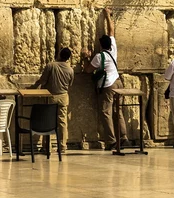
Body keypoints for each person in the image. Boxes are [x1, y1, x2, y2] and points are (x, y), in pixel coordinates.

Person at [83, 8, 129, 151]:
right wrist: (107, 16)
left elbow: (88, 70)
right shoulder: (113, 48)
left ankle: (111, 141)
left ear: (101, 45)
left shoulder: (99, 57)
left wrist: (85, 57)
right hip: (118, 82)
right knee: (118, 111)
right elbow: (111, 30)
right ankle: (124, 137)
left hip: (108, 85)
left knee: (105, 112)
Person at [32, 47, 74, 153]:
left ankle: (47, 146)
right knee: (62, 121)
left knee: (48, 120)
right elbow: (70, 84)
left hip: (50, 96)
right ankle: (63, 145)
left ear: (59, 54)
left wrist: (33, 87)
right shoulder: (70, 70)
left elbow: (43, 80)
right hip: (63, 96)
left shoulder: (51, 65)